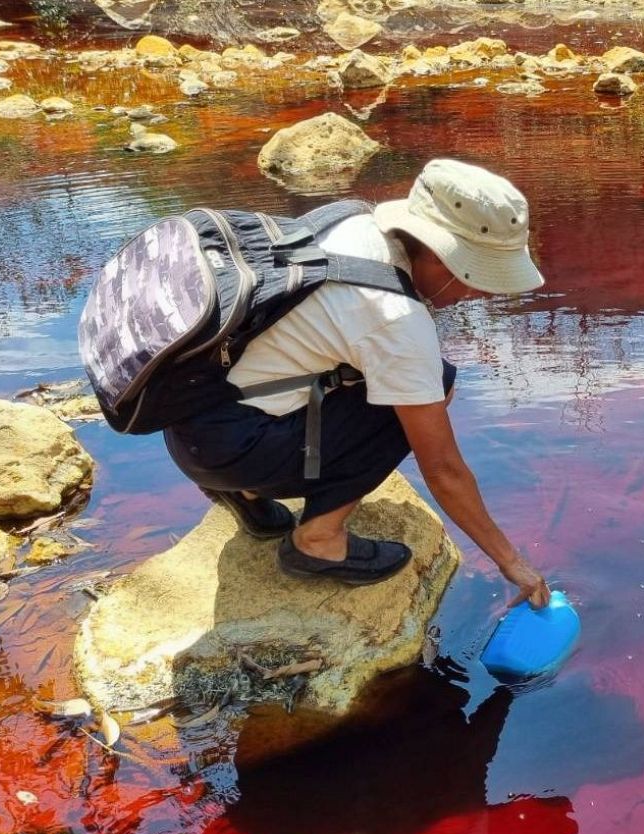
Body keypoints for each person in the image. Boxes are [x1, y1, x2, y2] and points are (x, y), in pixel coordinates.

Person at [162, 159, 552, 606]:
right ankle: (319, 540)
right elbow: (443, 469)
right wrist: (511, 562)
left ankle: (248, 493)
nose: (477, 294)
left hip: (191, 421)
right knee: (429, 387)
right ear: (437, 252)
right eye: (473, 276)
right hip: (233, 448)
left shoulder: (350, 221)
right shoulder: (397, 318)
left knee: (395, 379)